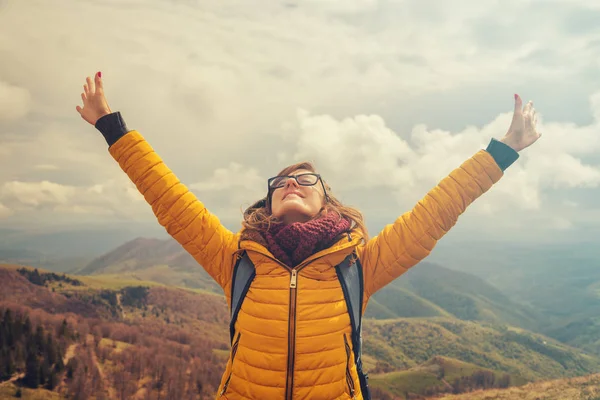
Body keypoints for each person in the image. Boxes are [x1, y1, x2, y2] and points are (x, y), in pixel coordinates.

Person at [76, 71, 541, 400]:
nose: (291, 185)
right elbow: (170, 200)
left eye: (305, 181)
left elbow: (435, 213)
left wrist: (502, 152)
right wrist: (112, 128)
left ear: (328, 202)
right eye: (279, 184)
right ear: (268, 205)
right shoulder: (236, 261)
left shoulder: (357, 265)